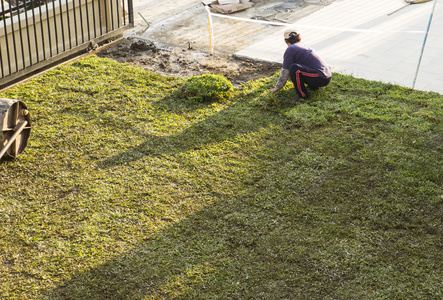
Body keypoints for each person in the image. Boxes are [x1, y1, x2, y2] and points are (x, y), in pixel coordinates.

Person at [270, 29, 331, 101]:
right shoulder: (302, 45)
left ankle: (303, 95)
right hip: (326, 76)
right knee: (297, 67)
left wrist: (277, 88)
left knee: (294, 68)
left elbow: (285, 71)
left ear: (286, 41)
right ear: (299, 37)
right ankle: (313, 86)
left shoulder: (291, 49)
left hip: (320, 77)